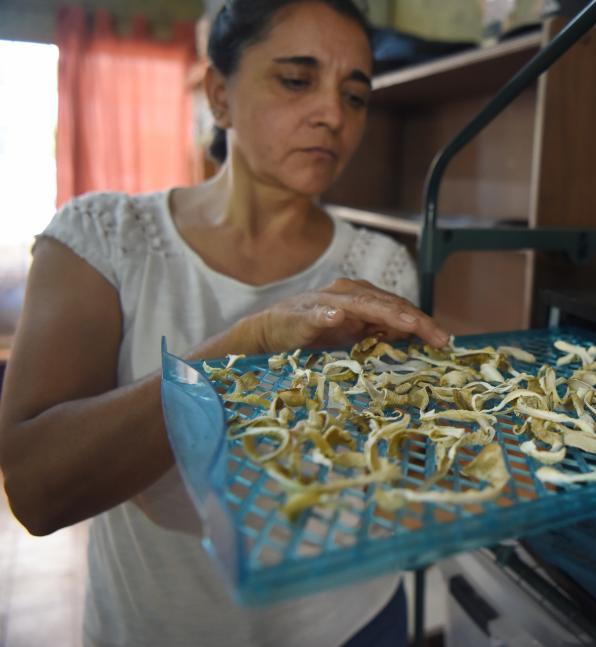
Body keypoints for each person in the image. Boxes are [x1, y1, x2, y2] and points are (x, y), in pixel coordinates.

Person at [0, 1, 449, 645]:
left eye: (355, 96)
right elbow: (38, 491)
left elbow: (380, 460)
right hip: (168, 624)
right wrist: (248, 343)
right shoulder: (105, 239)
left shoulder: (378, 266)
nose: (332, 115)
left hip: (350, 620)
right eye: (297, 80)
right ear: (220, 94)